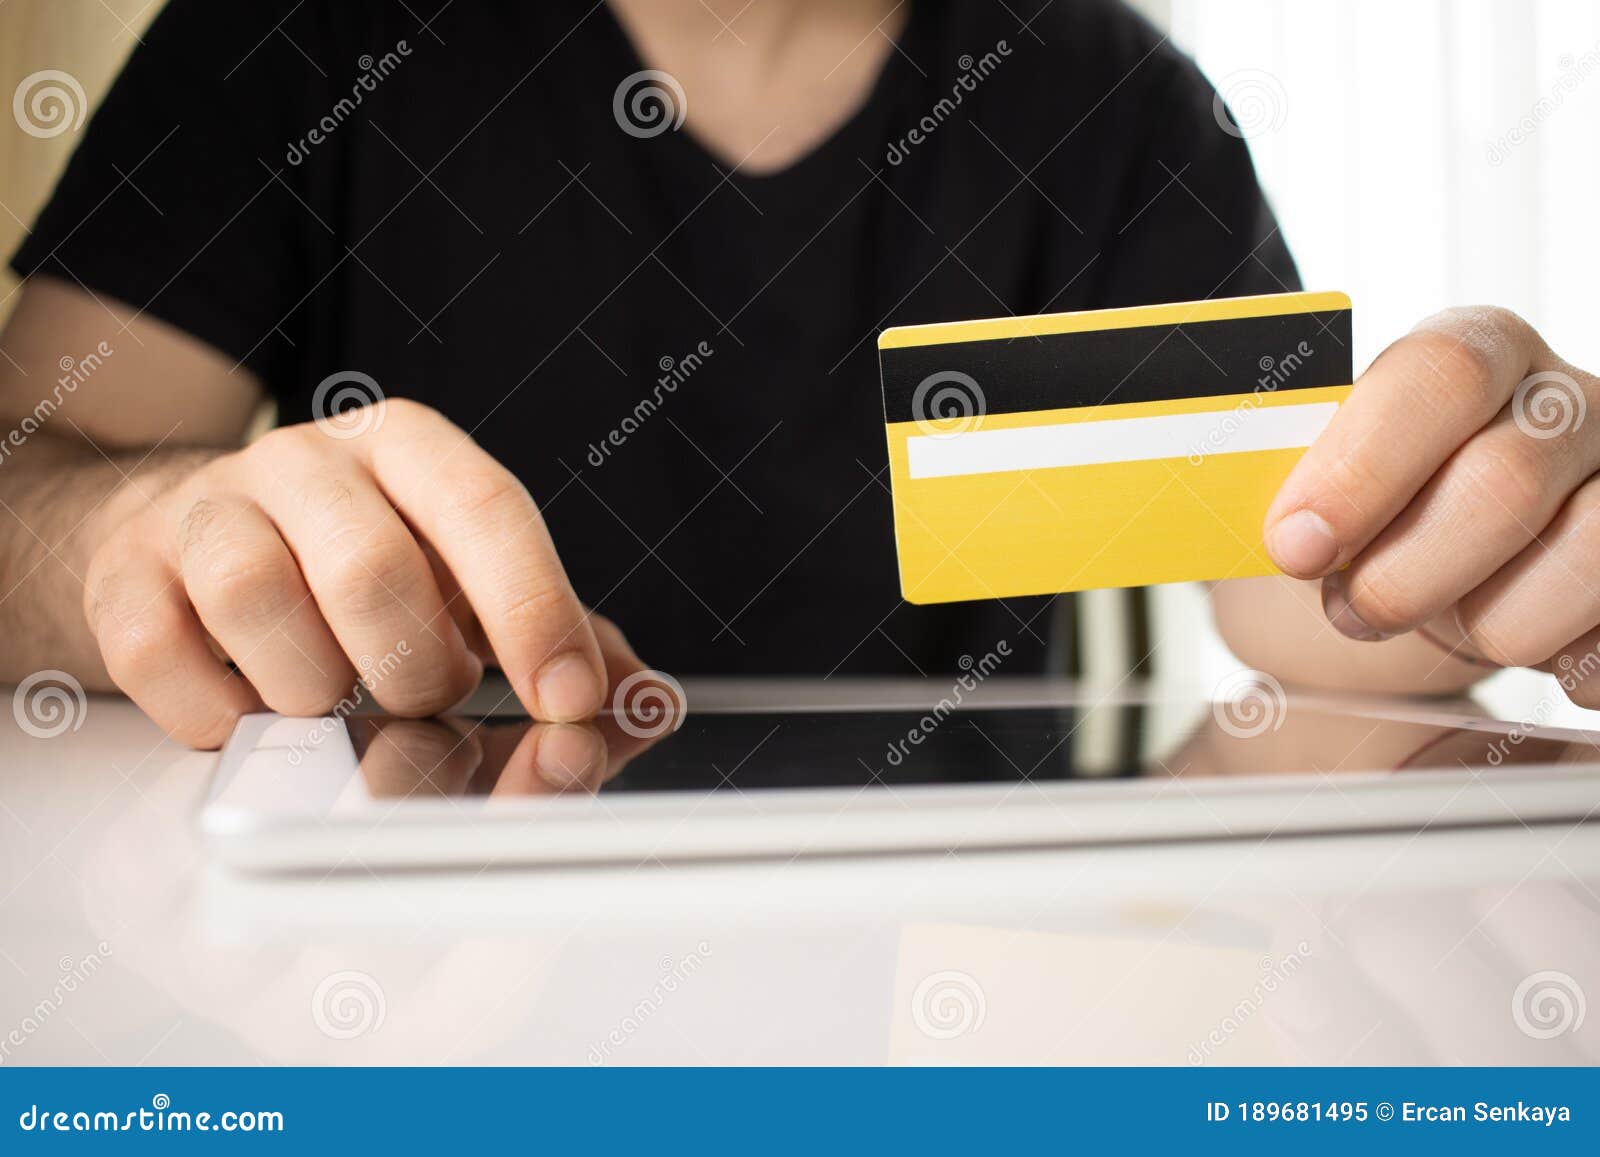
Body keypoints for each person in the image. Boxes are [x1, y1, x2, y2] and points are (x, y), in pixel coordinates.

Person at [1, 0, 1594, 750]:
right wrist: (125, 540)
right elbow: (35, 464)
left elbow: (1294, 585)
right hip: (413, 980)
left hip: (955, 1006)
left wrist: (1495, 527)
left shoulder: (1106, 93)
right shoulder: (289, 33)